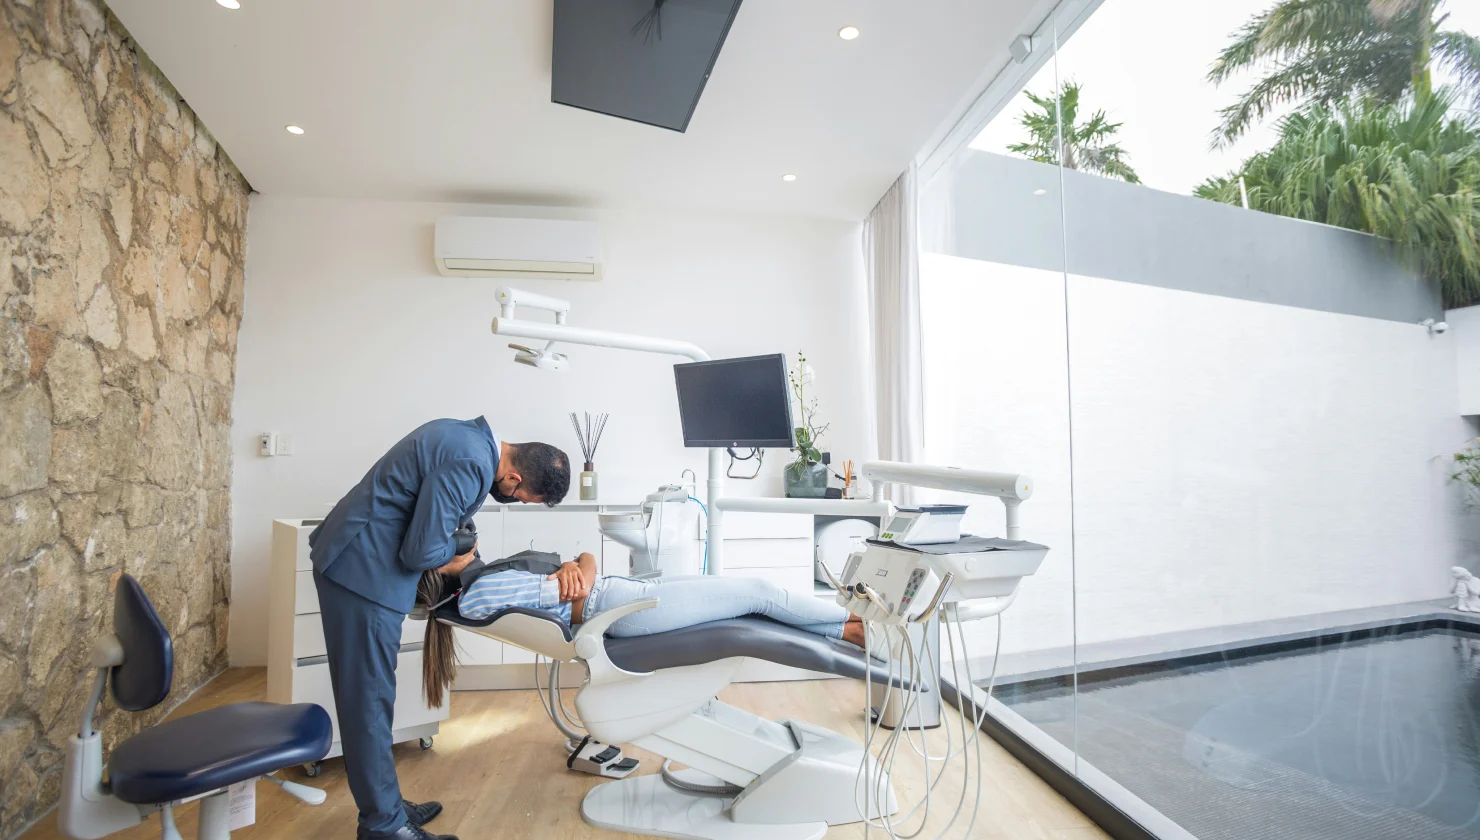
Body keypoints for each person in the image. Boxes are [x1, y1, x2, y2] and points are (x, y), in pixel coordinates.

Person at [309, 416, 570, 840]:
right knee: (368, 703)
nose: (515, 501)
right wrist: (459, 550)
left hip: (361, 563)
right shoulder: (471, 464)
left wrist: (456, 544)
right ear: (514, 477)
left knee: (375, 699)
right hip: (361, 574)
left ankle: (387, 806)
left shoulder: (468, 438)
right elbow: (421, 552)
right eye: (521, 498)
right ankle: (383, 826)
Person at [415, 552, 868, 706]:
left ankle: (847, 627)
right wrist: (578, 565)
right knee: (758, 593)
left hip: (620, 595)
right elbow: (578, 583)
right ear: (438, 566)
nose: (465, 535)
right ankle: (854, 630)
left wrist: (578, 566)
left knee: (751, 595)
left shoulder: (479, 584)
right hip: (619, 609)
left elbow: (579, 570)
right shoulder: (480, 592)